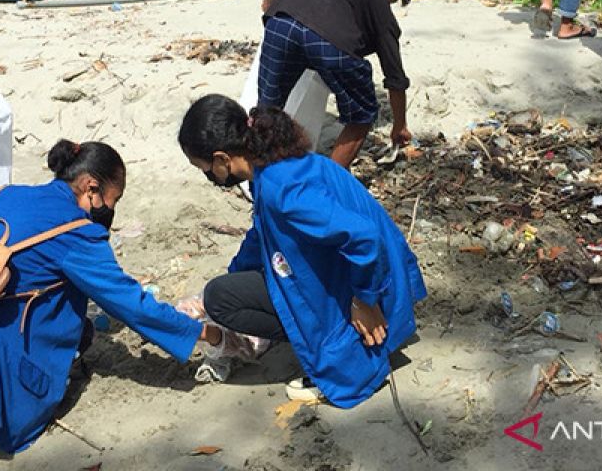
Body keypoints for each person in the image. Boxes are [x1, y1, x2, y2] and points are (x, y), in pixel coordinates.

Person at [0, 140, 215, 454]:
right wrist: (198, 332)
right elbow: (128, 301)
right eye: (112, 198)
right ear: (91, 187)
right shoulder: (76, 234)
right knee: (68, 321)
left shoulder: (5, 193)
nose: (111, 208)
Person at [179, 94, 426, 405]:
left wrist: (365, 300)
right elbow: (262, 232)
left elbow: (364, 237)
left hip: (372, 281)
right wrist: (236, 273)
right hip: (368, 269)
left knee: (221, 299)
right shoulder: (270, 164)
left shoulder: (282, 190)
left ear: (221, 160)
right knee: (226, 290)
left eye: (204, 168)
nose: (209, 176)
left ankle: (347, 354)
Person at [259, 0, 414, 168]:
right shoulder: (379, 4)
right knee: (362, 115)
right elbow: (395, 78)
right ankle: (327, 184)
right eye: (393, 0)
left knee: (267, 111)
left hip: (280, 23)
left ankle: (257, 176)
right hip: (329, 43)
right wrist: (399, 125)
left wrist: (271, 0)